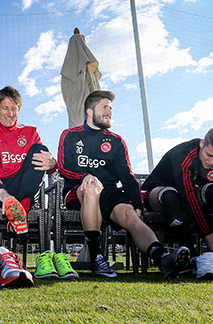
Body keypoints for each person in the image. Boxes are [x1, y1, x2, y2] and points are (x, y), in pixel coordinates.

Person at [57, 90, 190, 280]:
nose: (109, 112)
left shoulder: (116, 141)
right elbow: (63, 167)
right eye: (104, 107)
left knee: (130, 215)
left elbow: (127, 177)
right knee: (92, 187)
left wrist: (137, 205)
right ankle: (96, 257)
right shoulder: (70, 135)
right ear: (89, 111)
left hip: (109, 192)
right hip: (77, 191)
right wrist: (85, 176)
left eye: (110, 108)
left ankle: (163, 259)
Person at [0, 86, 71, 288]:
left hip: (21, 193)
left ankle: (19, 216)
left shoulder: (31, 132)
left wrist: (53, 163)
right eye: (5, 108)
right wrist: (3, 193)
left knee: (40, 150)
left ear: (19, 109)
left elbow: (45, 164)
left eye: (15, 108)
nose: (10, 113)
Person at [142, 126, 213, 280]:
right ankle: (191, 257)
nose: (211, 161)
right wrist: (209, 236)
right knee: (170, 195)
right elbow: (188, 197)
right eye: (209, 155)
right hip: (157, 195)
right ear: (202, 144)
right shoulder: (183, 154)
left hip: (189, 194)